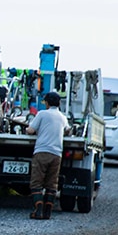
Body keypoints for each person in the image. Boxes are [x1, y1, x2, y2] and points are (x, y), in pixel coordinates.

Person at [26, 91, 70, 219]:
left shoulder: (42, 114)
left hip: (42, 152)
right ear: (59, 103)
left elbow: (31, 130)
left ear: (47, 103)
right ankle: (47, 213)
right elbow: (67, 130)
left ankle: (37, 210)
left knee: (36, 183)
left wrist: (26, 129)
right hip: (57, 154)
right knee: (52, 184)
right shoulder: (62, 117)